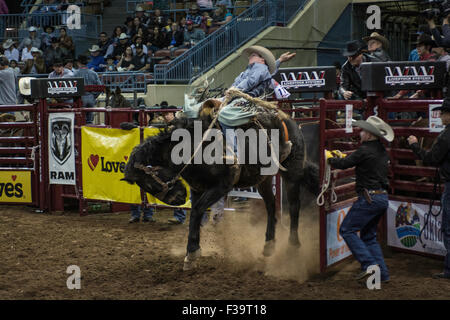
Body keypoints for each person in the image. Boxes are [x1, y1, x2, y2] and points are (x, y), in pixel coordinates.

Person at [327, 116, 394, 283]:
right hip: (381, 198)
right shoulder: (381, 149)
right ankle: (382, 274)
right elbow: (352, 160)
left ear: (370, 134)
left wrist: (328, 158)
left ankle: (370, 265)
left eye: (363, 131)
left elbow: (344, 164)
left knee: (347, 230)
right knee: (369, 236)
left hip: (368, 198)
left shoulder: (364, 150)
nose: (360, 133)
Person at [407, 99, 450, 280]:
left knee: (448, 229)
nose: (439, 116)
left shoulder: (446, 136)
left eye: (442, 113)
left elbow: (431, 158)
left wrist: (415, 145)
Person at [74, 55, 102, 124]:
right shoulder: (93, 73)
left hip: (80, 99)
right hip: (91, 98)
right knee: (89, 120)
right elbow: (99, 87)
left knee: (80, 120)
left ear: (78, 63)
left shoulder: (74, 74)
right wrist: (93, 96)